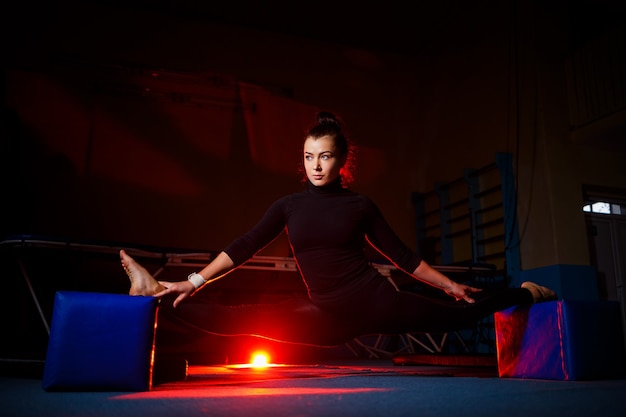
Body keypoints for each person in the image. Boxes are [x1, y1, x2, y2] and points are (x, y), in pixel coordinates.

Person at [120, 111, 556, 350]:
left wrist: (448, 286)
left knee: (464, 312)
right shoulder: (288, 206)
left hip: (379, 305)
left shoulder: (359, 205)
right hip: (326, 316)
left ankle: (528, 293)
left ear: (341, 160)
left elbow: (403, 257)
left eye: (325, 157)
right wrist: (193, 280)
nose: (315, 165)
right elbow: (245, 246)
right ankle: (155, 293)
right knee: (240, 322)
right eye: (309, 156)